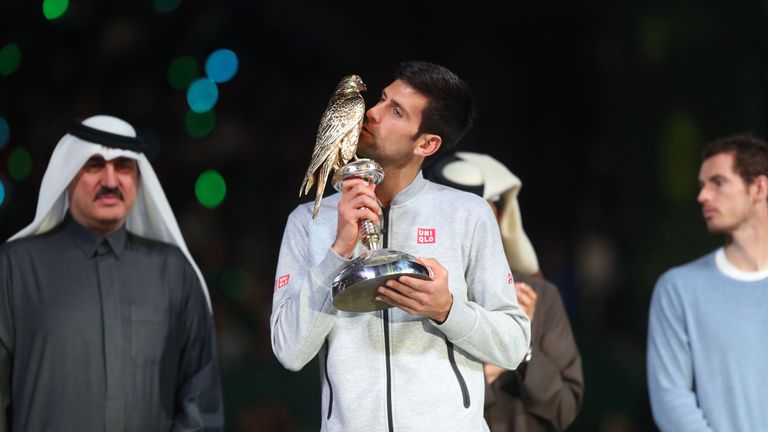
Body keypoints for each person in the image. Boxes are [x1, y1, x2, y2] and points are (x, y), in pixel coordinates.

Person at [271, 61, 531, 431]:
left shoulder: (467, 214)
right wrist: (338, 252)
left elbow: (514, 345)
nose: (371, 113)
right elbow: (289, 351)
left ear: (426, 143)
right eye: (380, 99)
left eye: (395, 111)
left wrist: (447, 309)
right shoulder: (309, 220)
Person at [0, 115, 224, 431]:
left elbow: (200, 407)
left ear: (138, 178)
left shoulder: (175, 274)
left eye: (123, 166)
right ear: (67, 174)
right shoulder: (15, 268)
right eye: (93, 165)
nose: (110, 181)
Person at [425, 152, 584, 431]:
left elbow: (565, 408)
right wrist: (484, 374)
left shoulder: (539, 295)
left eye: (487, 208)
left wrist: (522, 346)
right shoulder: (416, 294)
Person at [647, 134, 768, 431]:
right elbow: (671, 399)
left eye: (718, 182)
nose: (702, 196)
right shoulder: (678, 289)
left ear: (758, 188)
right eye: (702, 186)